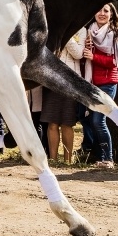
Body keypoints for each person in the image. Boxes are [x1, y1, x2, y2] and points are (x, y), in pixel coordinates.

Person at [77, 3, 118, 168]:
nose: (102, 13)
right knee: (87, 118)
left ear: (112, 14)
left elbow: (116, 62)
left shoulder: (115, 33)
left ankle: (108, 158)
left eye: (106, 10)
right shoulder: (88, 31)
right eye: (98, 9)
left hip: (107, 82)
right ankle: (96, 154)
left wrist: (93, 56)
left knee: (99, 120)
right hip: (89, 82)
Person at [40, 31, 84, 164]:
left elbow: (78, 53)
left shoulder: (82, 30)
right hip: (51, 80)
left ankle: (67, 160)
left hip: (71, 82)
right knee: (52, 122)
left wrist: (65, 35)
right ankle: (53, 159)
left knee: (67, 122)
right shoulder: (53, 27)